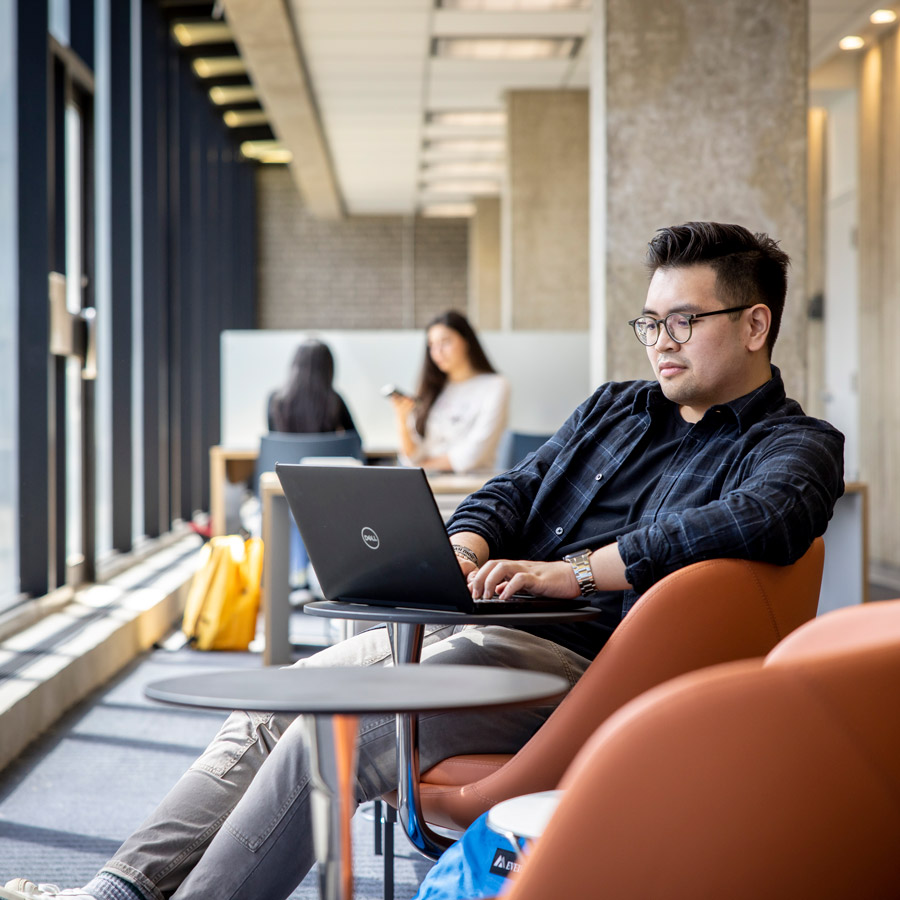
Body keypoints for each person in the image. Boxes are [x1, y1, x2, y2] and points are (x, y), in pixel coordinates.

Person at [1, 222, 844, 900]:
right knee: (271, 703)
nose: (661, 342)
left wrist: (578, 571)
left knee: (328, 739)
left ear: (754, 324)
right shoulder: (616, 409)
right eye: (651, 322)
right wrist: (468, 542)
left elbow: (765, 518)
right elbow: (513, 489)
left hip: (577, 662)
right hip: (470, 617)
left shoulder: (795, 445)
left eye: (684, 322)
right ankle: (117, 890)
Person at [390, 310, 509, 472]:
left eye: (445, 342)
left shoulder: (495, 385)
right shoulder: (431, 389)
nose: (437, 352)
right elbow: (413, 455)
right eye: (432, 345)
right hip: (429, 483)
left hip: (472, 486)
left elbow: (472, 456)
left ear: (466, 341)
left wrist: (419, 468)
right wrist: (402, 419)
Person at [267, 338, 356, 436]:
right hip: (326, 452)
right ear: (327, 368)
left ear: (295, 365)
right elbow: (355, 441)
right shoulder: (334, 400)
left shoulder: (276, 400)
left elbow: (274, 442)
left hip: (286, 452)